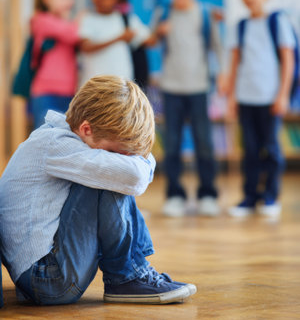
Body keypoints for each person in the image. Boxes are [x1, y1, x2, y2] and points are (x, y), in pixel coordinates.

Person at [0, 75, 196, 305]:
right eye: (119, 151)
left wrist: (129, 158)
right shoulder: (54, 144)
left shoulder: (62, 138)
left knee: (113, 171)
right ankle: (126, 278)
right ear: (86, 129)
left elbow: (134, 174)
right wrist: (135, 161)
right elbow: (134, 176)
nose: (126, 158)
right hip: (47, 279)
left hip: (43, 276)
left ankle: (132, 272)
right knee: (112, 175)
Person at [155, 0, 225, 217]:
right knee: (171, 144)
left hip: (199, 87)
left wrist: (224, 76)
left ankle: (208, 194)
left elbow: (218, 47)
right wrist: (158, 32)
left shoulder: (207, 14)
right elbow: (152, 42)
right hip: (170, 88)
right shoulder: (163, 13)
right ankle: (175, 195)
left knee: (204, 143)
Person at [227, 0, 295, 218]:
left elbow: (288, 61)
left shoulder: (278, 22)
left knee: (272, 149)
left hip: (270, 98)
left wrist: (283, 95)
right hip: (246, 98)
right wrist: (232, 97)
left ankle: (270, 196)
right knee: (250, 150)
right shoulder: (241, 26)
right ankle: (249, 196)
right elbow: (235, 63)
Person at [79, 0, 153, 87]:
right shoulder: (87, 18)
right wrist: (119, 38)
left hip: (122, 85)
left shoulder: (126, 19)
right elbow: (86, 47)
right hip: (93, 88)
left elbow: (150, 40)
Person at [30, 0, 80, 129]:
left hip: (69, 91)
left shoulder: (68, 22)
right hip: (46, 91)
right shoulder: (40, 20)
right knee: (44, 138)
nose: (70, 2)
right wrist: (81, 20)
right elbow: (75, 34)